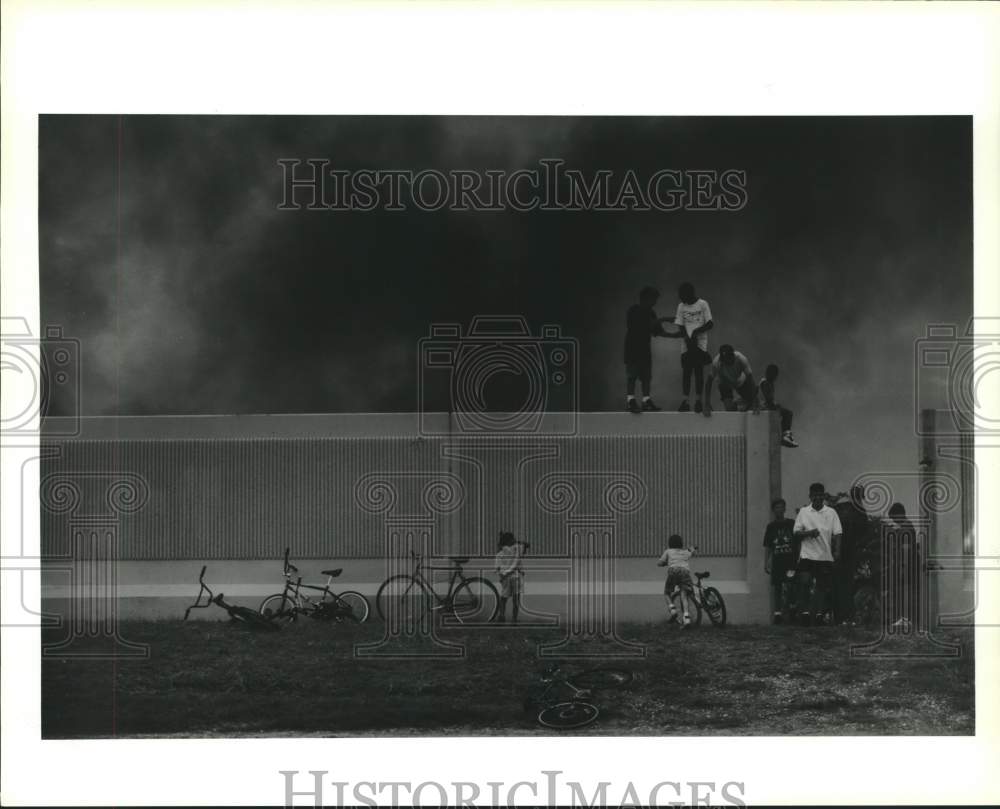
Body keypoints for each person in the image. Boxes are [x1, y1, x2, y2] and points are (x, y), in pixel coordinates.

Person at [792, 482, 843, 626]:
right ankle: (806, 613)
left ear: (823, 496)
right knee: (805, 582)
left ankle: (819, 614)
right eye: (815, 495)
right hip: (807, 554)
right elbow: (796, 533)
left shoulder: (831, 513)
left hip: (824, 555)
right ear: (810, 496)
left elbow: (838, 533)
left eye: (820, 495)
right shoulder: (804, 512)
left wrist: (837, 551)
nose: (818, 498)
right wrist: (809, 533)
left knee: (821, 585)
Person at [623, 287, 674, 413]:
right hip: (632, 347)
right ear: (645, 298)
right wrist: (665, 319)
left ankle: (646, 401)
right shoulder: (634, 310)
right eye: (653, 299)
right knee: (632, 375)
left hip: (644, 348)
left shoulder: (651, 312)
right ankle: (630, 401)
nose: (655, 302)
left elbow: (658, 331)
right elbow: (643, 325)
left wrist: (676, 335)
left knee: (646, 376)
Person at [830, 485, 873, 625]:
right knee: (845, 584)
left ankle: (842, 616)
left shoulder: (842, 509)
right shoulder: (854, 511)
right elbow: (865, 534)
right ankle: (844, 616)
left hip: (843, 552)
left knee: (842, 584)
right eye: (858, 497)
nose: (859, 500)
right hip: (845, 552)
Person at [671, 282, 714, 413]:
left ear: (690, 293)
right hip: (686, 344)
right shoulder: (681, 306)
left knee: (698, 372)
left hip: (700, 343)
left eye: (682, 295)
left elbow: (710, 323)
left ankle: (698, 401)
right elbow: (680, 324)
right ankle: (685, 401)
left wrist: (695, 332)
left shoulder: (702, 304)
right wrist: (687, 337)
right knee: (686, 373)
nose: (680, 298)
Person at [885, 503, 921, 630]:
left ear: (900, 514)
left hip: (907, 564)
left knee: (905, 591)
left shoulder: (905, 528)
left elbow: (906, 549)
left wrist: (902, 567)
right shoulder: (906, 526)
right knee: (905, 591)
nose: (894, 521)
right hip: (908, 563)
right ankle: (906, 618)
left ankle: (906, 619)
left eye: (894, 518)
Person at [763, 498, 798, 624]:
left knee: (791, 585)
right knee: (777, 586)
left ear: (785, 508)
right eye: (776, 507)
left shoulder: (791, 523)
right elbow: (767, 545)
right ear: (773, 511)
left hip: (790, 561)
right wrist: (766, 562)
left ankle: (793, 611)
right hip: (777, 561)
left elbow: (797, 541)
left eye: (781, 507)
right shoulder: (771, 526)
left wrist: (798, 558)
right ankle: (777, 614)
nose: (779, 510)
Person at [702, 344, 760, 417]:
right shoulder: (716, 363)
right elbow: (709, 382)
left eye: (730, 361)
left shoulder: (741, 359)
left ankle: (743, 400)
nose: (728, 363)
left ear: (733, 356)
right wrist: (707, 403)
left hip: (739, 380)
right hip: (724, 383)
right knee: (730, 409)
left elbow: (750, 378)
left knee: (752, 402)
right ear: (722, 360)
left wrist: (754, 398)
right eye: (726, 362)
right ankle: (737, 403)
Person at [656, 534, 698, 628]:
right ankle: (686, 618)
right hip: (684, 572)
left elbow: (659, 563)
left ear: (670, 543)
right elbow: (693, 553)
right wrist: (692, 550)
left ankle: (673, 610)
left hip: (673, 571)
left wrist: (665, 563)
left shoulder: (668, 551)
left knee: (667, 593)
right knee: (684, 595)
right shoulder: (684, 552)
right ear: (681, 543)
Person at [758, 364, 798, 448]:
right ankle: (785, 436)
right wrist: (776, 405)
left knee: (783, 413)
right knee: (788, 413)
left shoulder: (768, 383)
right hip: (763, 408)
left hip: (764, 407)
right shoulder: (765, 383)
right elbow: (768, 399)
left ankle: (784, 435)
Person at [494, 531, 528, 624]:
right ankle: (514, 619)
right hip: (516, 576)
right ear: (511, 541)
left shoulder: (499, 554)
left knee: (503, 598)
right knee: (516, 599)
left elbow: (498, 568)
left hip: (505, 578)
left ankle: (501, 616)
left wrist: (502, 577)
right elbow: (526, 546)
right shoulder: (517, 549)